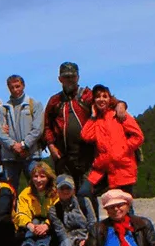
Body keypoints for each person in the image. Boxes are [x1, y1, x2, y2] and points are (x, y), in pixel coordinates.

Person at [43, 63, 128, 192]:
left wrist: (121, 105)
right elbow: (47, 125)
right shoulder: (55, 101)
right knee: (67, 195)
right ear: (60, 79)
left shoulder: (88, 95)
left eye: (72, 76)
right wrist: (51, 145)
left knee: (86, 194)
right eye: (66, 77)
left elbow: (108, 101)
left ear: (78, 77)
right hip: (63, 157)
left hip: (87, 156)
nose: (69, 80)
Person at [79, 84, 144, 207]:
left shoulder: (118, 114)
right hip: (102, 168)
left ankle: (128, 226)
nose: (101, 99)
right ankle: (95, 223)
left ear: (110, 99)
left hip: (123, 168)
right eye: (98, 97)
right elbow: (86, 136)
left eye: (105, 96)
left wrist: (122, 150)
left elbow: (138, 136)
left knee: (123, 205)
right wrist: (92, 116)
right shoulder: (96, 119)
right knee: (84, 193)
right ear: (94, 101)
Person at [47, 174, 96, 246]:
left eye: (68, 188)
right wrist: (77, 241)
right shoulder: (54, 210)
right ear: (57, 190)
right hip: (70, 240)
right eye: (62, 188)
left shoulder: (84, 202)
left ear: (73, 189)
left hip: (87, 236)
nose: (65, 191)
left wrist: (87, 240)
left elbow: (92, 223)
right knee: (66, 241)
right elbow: (61, 232)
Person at [0, 74, 43, 192]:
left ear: (23, 86)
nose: (15, 90)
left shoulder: (34, 105)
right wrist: (13, 146)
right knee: (10, 191)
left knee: (36, 188)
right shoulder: (3, 109)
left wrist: (23, 145)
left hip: (31, 154)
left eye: (17, 86)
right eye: (12, 87)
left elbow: (38, 129)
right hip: (10, 156)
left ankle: (37, 211)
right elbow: (0, 132)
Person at [15, 162, 58, 246]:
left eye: (42, 176)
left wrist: (47, 225)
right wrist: (30, 225)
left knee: (44, 224)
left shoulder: (55, 193)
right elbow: (21, 213)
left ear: (49, 178)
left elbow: (57, 213)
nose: (38, 180)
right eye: (35, 176)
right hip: (32, 222)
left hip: (49, 222)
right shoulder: (26, 193)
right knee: (35, 221)